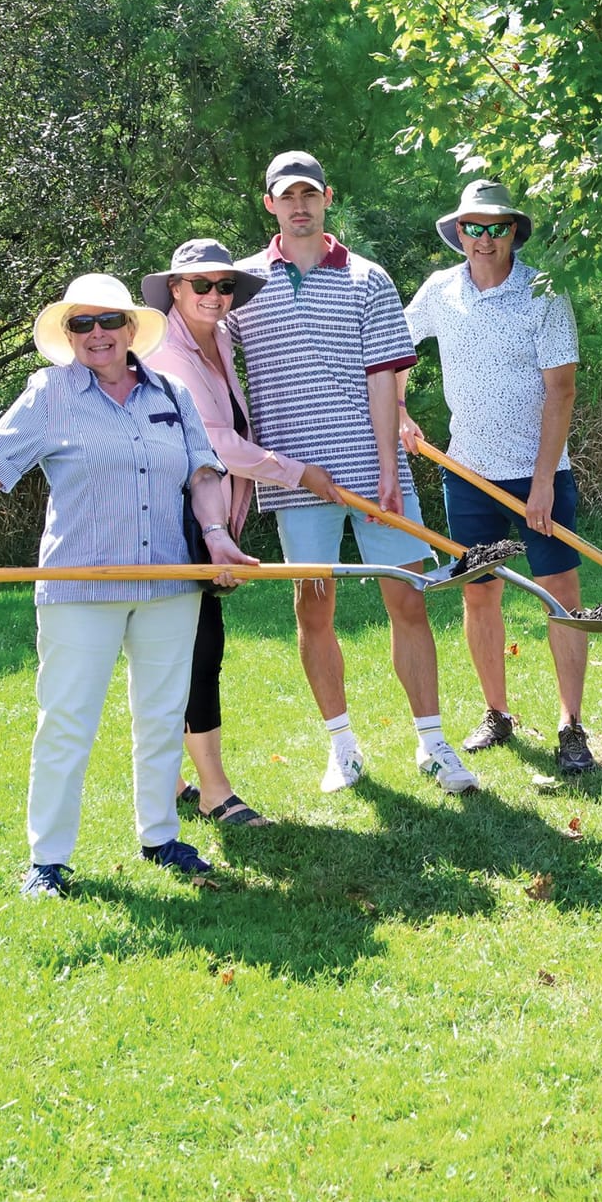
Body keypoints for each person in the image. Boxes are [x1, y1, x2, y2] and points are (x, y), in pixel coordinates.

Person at [0, 274, 258, 898]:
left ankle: (160, 836)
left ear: (133, 329)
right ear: (69, 334)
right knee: (67, 720)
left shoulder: (172, 392)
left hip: (169, 581)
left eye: (109, 322)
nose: (97, 334)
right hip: (79, 584)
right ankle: (47, 861)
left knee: (161, 716)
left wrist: (215, 534)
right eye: (82, 324)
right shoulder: (49, 393)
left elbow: (203, 473)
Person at [225, 150, 479, 795]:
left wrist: (390, 465)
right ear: (271, 204)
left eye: (310, 194)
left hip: (373, 470)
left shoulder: (368, 278)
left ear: (328, 198)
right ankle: (342, 747)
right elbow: (209, 362)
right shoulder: (240, 286)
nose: (300, 205)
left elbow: (384, 379)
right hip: (293, 475)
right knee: (314, 610)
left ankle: (433, 744)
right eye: (288, 196)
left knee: (408, 600)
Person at [143, 238, 348, 825]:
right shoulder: (166, 350)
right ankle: (213, 791)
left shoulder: (221, 337)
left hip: (206, 512)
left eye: (224, 285)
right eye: (201, 285)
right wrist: (297, 472)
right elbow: (215, 442)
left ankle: (171, 778)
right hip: (169, 516)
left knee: (183, 648)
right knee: (198, 648)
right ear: (175, 291)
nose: (215, 295)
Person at [399, 179, 595, 774]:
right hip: (466, 474)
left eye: (496, 228)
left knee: (561, 595)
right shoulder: (440, 290)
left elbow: (560, 392)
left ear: (514, 231)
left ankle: (571, 724)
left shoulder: (544, 293)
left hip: (539, 475)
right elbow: (390, 352)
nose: (484, 240)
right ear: (458, 233)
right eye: (473, 228)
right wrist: (401, 412)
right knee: (480, 595)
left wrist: (541, 484)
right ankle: (497, 713)